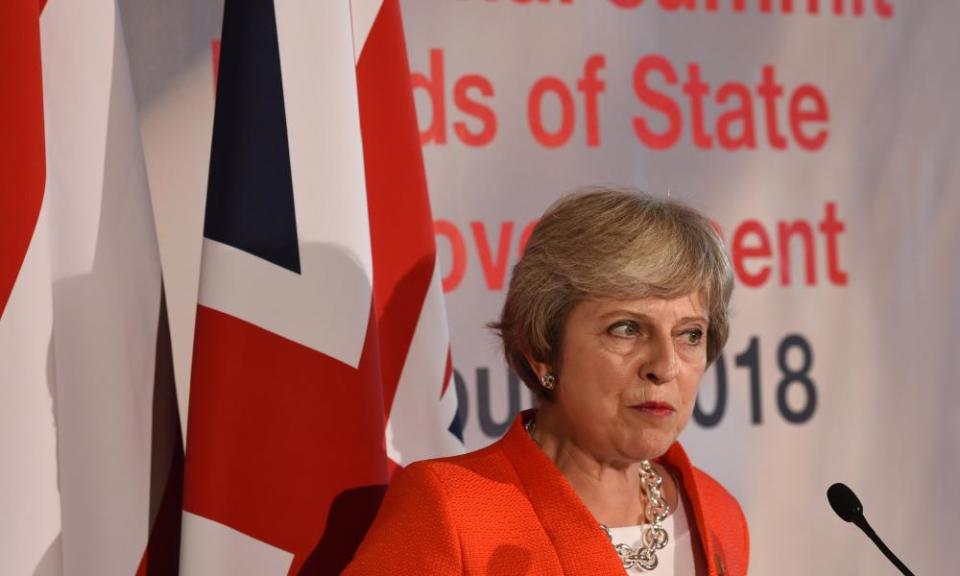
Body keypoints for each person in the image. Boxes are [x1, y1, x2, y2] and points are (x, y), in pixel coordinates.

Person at [343, 187, 748, 575]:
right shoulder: (454, 512)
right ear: (542, 350)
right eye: (626, 329)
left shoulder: (717, 514)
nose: (666, 365)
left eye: (690, 334)